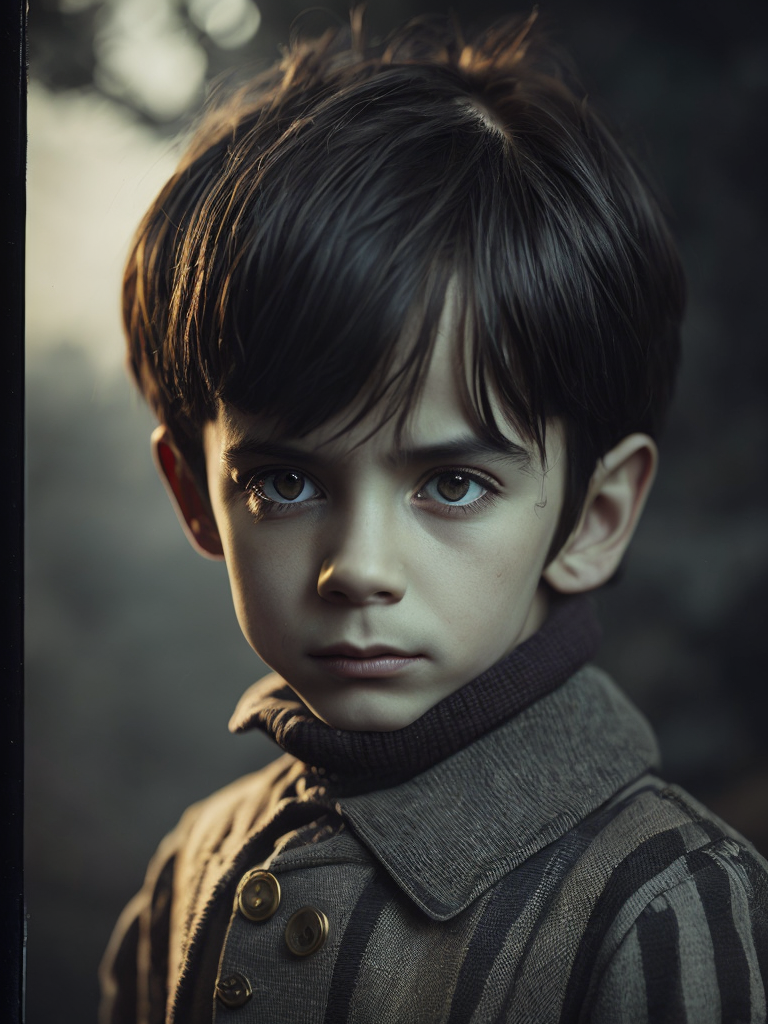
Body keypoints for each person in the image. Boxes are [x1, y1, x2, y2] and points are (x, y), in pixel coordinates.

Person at [100, 9, 768, 1022]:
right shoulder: (192, 871)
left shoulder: (660, 905)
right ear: (196, 496)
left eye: (452, 484)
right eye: (284, 482)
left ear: (594, 516)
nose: (357, 568)